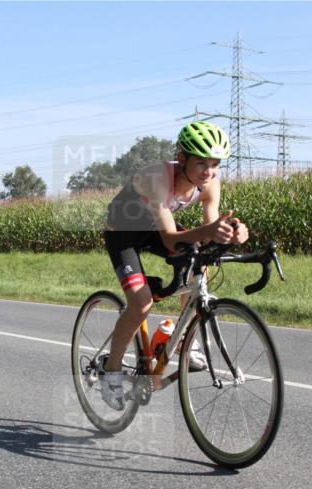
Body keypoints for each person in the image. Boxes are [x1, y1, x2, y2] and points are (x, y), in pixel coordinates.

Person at [98, 121, 250, 410]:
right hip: (124, 231)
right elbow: (170, 240)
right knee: (141, 303)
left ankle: (184, 344)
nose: (209, 171)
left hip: (154, 228)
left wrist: (233, 233)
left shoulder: (210, 184)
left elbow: (209, 230)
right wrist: (210, 231)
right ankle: (111, 370)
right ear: (182, 159)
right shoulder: (158, 177)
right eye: (201, 163)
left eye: (215, 164)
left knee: (199, 263)